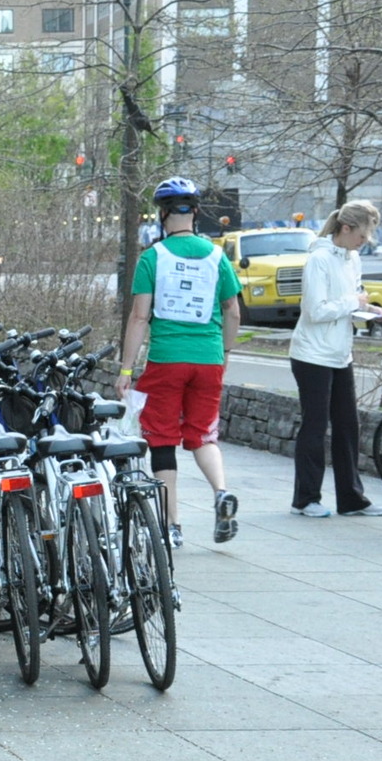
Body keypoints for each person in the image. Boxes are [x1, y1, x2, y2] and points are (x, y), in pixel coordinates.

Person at [119, 177, 242, 547]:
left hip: (166, 360)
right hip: (208, 360)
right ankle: (221, 491)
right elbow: (232, 311)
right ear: (196, 214)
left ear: (162, 215)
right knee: (203, 433)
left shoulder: (152, 258)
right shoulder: (218, 257)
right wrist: (226, 352)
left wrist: (126, 370)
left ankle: (173, 526)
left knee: (162, 440)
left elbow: (140, 317)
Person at [289, 200, 382, 518]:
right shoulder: (319, 259)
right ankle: (305, 500)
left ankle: (351, 499)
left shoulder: (352, 258)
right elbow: (316, 311)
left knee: (348, 426)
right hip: (311, 354)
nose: (364, 242)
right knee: (315, 426)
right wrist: (352, 302)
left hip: (339, 354)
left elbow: (349, 302)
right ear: (345, 229)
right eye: (361, 236)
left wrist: (369, 310)